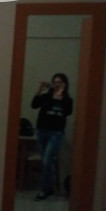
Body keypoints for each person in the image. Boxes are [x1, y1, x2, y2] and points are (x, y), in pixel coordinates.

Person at [31, 73, 73, 201]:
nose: (57, 84)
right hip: (41, 131)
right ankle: (48, 189)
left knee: (47, 161)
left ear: (65, 84)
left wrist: (59, 96)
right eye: (55, 82)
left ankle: (45, 190)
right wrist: (40, 90)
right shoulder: (46, 97)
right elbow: (34, 105)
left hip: (56, 133)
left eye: (60, 82)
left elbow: (68, 111)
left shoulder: (67, 100)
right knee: (46, 162)